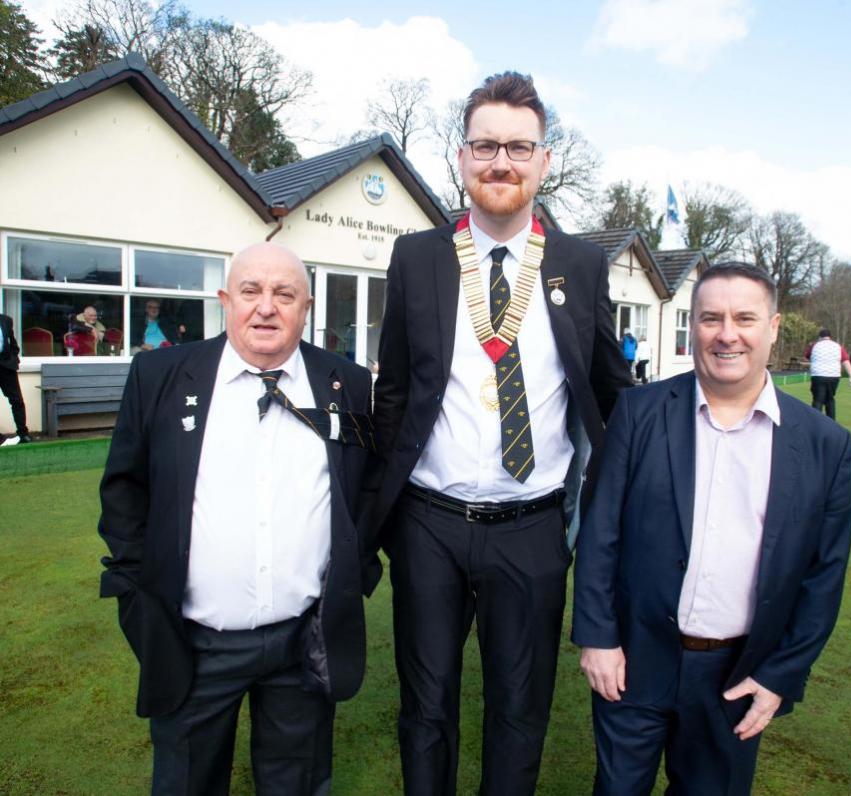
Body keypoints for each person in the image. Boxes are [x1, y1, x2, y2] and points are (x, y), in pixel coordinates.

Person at [366, 71, 632, 795]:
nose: (501, 163)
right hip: (428, 524)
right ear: (462, 158)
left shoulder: (578, 264)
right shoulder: (417, 258)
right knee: (426, 709)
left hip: (533, 530)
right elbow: (392, 392)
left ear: (544, 161)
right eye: (486, 146)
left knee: (521, 712)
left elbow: (612, 389)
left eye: (520, 148)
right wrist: (387, 523)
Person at [98, 242, 375, 795]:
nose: (266, 307)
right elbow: (124, 494)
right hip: (193, 643)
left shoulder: (348, 384)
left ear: (307, 308)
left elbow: (365, 489)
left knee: (296, 783)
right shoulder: (160, 376)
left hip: (305, 641)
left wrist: (355, 575)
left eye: (284, 294)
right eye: (251, 291)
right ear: (227, 300)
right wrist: (138, 596)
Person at [573, 262, 851, 795]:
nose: (727, 334)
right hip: (633, 661)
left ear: (772, 328)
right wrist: (597, 638)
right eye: (710, 318)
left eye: (744, 318)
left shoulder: (825, 446)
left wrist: (780, 675)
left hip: (736, 676)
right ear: (694, 327)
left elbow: (824, 579)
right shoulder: (638, 413)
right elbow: (599, 530)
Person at [805, 328, 851, 419]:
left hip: (818, 375)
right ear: (830, 337)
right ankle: (832, 423)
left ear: (820, 337)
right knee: (830, 399)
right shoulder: (838, 346)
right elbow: (846, 362)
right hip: (834, 376)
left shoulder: (814, 345)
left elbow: (807, 356)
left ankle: (815, 422)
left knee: (818, 400)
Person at [0, 313, 33, 445]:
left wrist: (13, 358)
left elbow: (13, 343)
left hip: (6, 365)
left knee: (17, 400)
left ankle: (23, 434)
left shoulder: (6, 320)